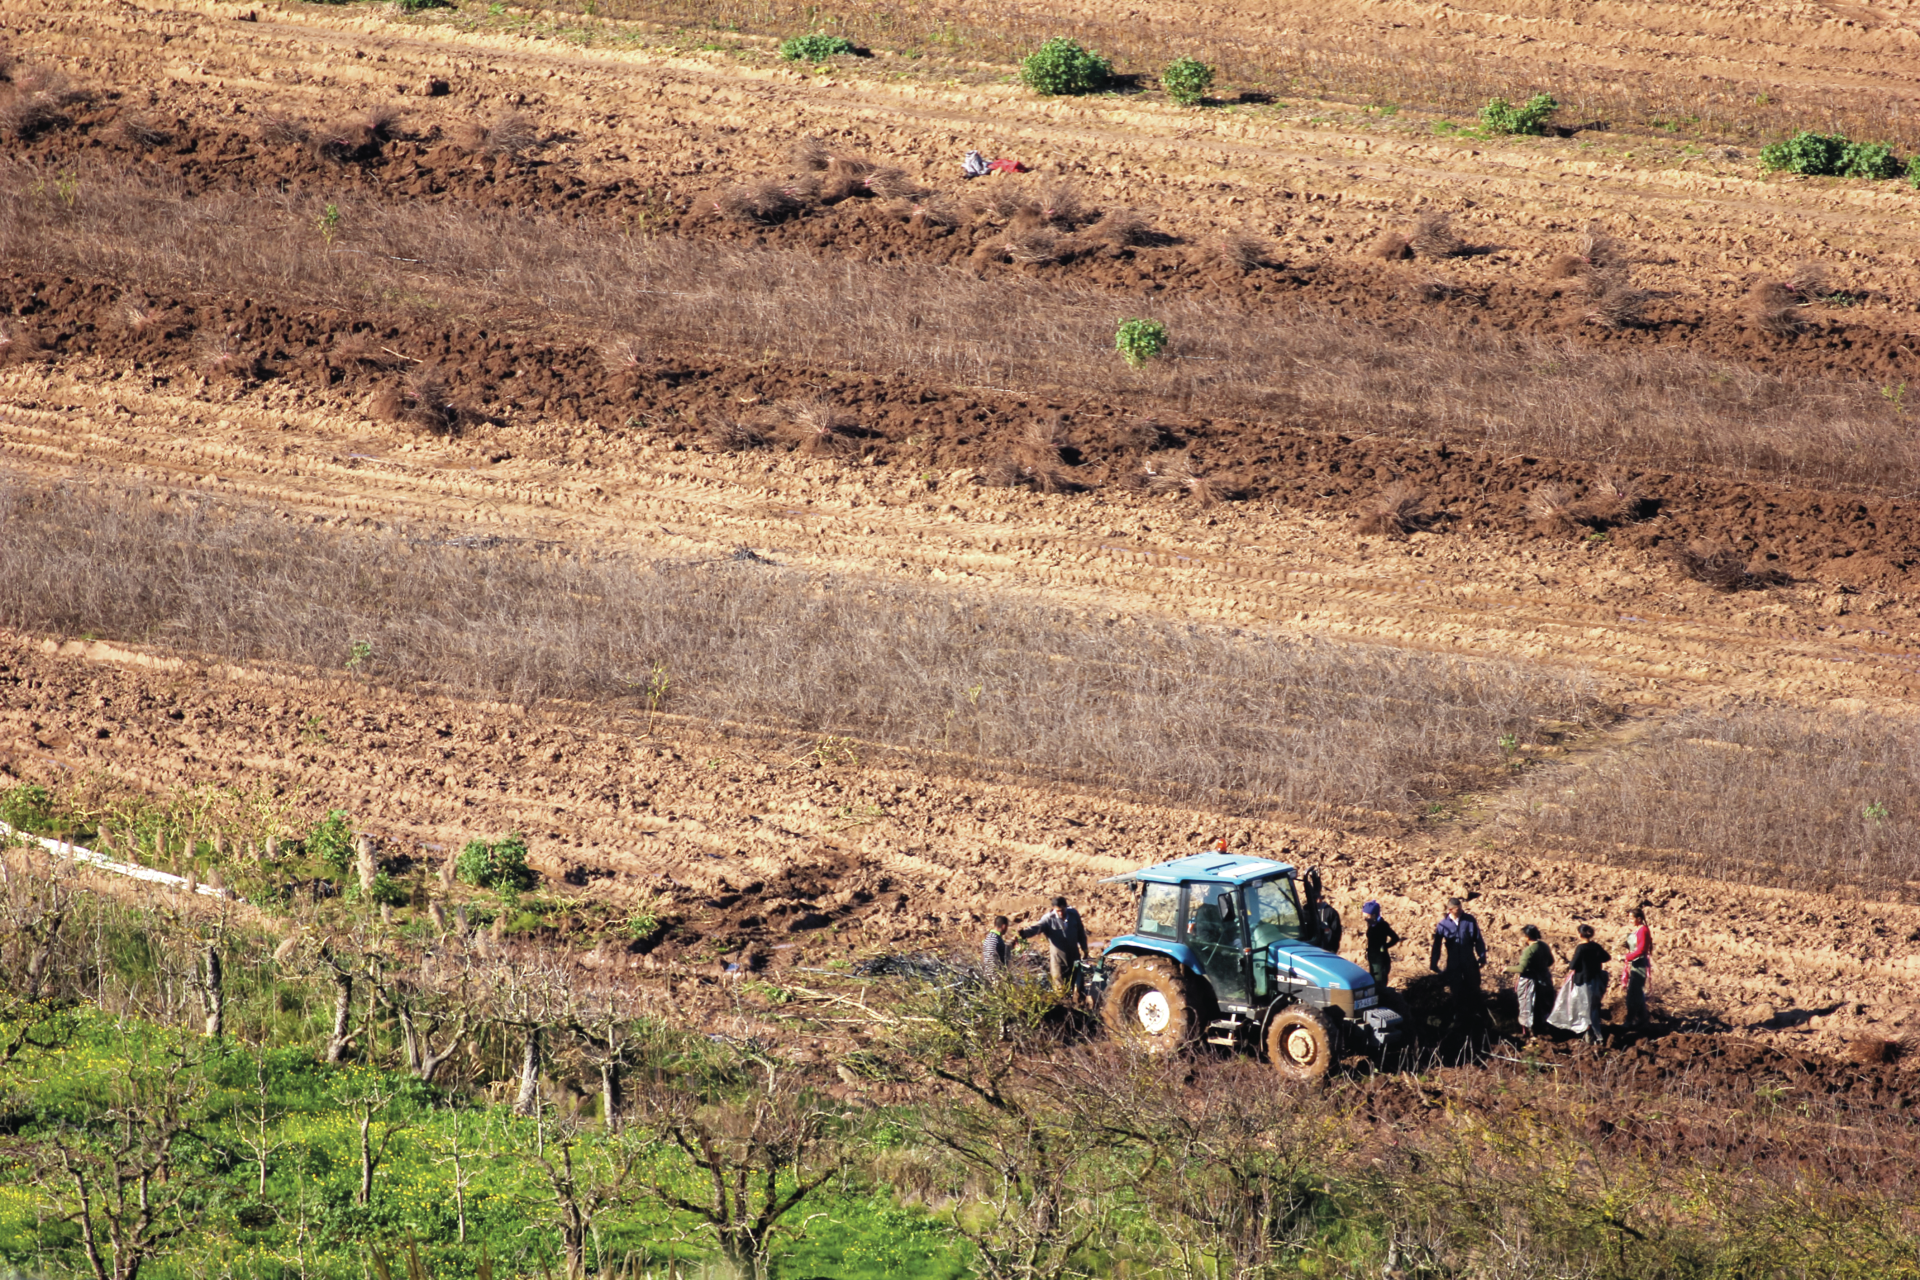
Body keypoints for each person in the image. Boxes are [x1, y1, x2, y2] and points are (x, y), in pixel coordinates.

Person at [1549, 924, 1611, 1042]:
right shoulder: (1596, 946)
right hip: (1596, 980)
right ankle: (1596, 1033)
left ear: (1580, 934)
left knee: (1582, 1008)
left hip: (1583, 981)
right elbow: (1606, 957)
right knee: (1593, 1007)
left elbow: (1573, 965)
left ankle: (1587, 1033)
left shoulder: (1581, 948)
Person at [1429, 897, 1488, 1020]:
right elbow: (1437, 946)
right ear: (1450, 910)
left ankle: (1478, 1015)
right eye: (1458, 909)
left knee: (1473, 987)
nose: (1461, 910)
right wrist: (1434, 963)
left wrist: (1482, 957)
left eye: (1461, 907)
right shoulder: (1443, 925)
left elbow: (1478, 940)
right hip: (1453, 963)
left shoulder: (1469, 920)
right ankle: (1459, 1016)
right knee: (1456, 989)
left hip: (1469, 961)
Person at [1021, 896, 1090, 993]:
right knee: (1060, 989)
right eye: (1058, 911)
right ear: (1053, 909)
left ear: (1066, 907)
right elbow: (1036, 928)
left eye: (1062, 910)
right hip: (1058, 959)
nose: (1061, 913)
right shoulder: (1048, 919)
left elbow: (1081, 932)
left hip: (1074, 957)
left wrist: (1085, 948)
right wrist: (1024, 933)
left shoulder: (1073, 914)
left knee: (1078, 988)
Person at [1509, 924, 1554, 1038]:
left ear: (1527, 936)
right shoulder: (1543, 945)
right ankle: (1543, 1027)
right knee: (1541, 1005)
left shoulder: (1529, 950)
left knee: (1527, 1005)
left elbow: (1521, 968)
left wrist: (1507, 969)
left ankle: (1529, 1032)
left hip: (1530, 982)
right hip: (1544, 980)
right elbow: (1550, 961)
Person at [1621, 906, 1654, 1031]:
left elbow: (1641, 950)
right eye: (1628, 918)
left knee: (1633, 994)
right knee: (1637, 993)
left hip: (1639, 964)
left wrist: (1626, 957)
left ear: (1639, 919)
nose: (1629, 920)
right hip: (1634, 963)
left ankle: (1629, 1021)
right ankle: (1642, 1019)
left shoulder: (1643, 930)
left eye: (1631, 918)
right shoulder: (1638, 930)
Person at [1361, 901, 1400, 989]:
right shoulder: (1371, 924)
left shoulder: (1382, 925)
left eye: (1367, 916)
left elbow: (1395, 938)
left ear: (1374, 915)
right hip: (1372, 958)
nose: (1365, 918)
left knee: (1379, 982)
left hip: (1380, 959)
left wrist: (1384, 946)